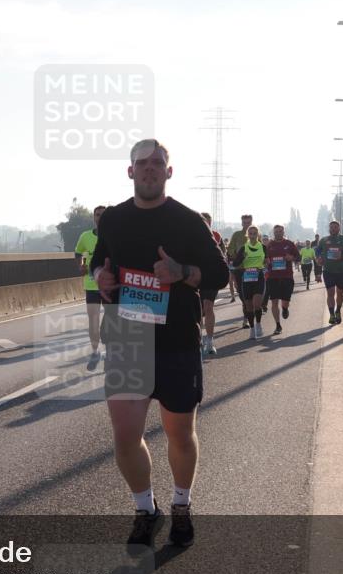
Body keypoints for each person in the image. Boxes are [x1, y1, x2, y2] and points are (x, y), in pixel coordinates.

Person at [91, 139, 229, 548]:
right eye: (142, 164)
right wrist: (101, 276)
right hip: (128, 337)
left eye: (157, 163)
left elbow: (220, 274)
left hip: (176, 340)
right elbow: (100, 260)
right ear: (130, 171)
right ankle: (144, 508)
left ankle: (182, 504)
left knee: (180, 434)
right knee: (125, 436)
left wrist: (181, 272)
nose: (149, 169)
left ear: (169, 172)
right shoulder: (113, 219)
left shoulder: (187, 221)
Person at [75, 206, 106, 370]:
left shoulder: (115, 235)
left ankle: (112, 351)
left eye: (103, 215)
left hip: (110, 286)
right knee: (93, 321)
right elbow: (78, 252)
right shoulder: (85, 236)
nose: (100, 217)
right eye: (97, 215)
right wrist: (80, 266)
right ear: (94, 217)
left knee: (110, 322)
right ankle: (95, 352)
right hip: (91, 285)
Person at [315, 220, 343, 325]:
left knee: (340, 293)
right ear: (329, 229)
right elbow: (317, 251)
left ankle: (338, 311)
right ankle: (332, 314)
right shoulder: (324, 240)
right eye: (331, 227)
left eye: (335, 227)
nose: (333, 229)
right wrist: (318, 258)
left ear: (339, 229)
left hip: (341, 271)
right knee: (330, 292)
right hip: (328, 271)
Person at [231, 225, 267, 339]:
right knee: (248, 306)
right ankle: (252, 329)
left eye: (254, 233)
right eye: (250, 234)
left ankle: (258, 325)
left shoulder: (263, 247)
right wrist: (242, 258)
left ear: (258, 235)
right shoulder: (243, 248)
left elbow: (267, 262)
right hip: (246, 279)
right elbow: (235, 264)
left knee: (257, 304)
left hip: (258, 277)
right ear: (248, 235)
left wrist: (265, 264)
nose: (252, 236)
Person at [198, 212, 226, 355]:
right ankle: (199, 339)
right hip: (196, 277)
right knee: (198, 310)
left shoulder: (217, 236)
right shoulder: (191, 233)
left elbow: (223, 255)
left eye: (208, 223)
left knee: (208, 306)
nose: (206, 225)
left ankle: (209, 341)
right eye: (204, 222)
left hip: (211, 277)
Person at [264, 225, 300, 335]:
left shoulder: (289, 244)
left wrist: (292, 258)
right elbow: (263, 259)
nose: (278, 233)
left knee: (285, 301)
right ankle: (278, 325)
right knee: (274, 302)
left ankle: (285, 309)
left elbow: (299, 257)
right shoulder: (268, 245)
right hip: (272, 278)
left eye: (280, 231)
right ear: (273, 232)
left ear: (283, 232)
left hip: (287, 277)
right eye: (276, 232)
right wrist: (266, 261)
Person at [226, 214, 253, 328]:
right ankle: (246, 317)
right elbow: (230, 250)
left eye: (249, 222)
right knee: (243, 296)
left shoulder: (256, 234)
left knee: (252, 295)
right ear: (242, 223)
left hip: (253, 269)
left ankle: (250, 317)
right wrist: (238, 254)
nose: (247, 225)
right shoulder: (236, 235)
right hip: (239, 269)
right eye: (245, 222)